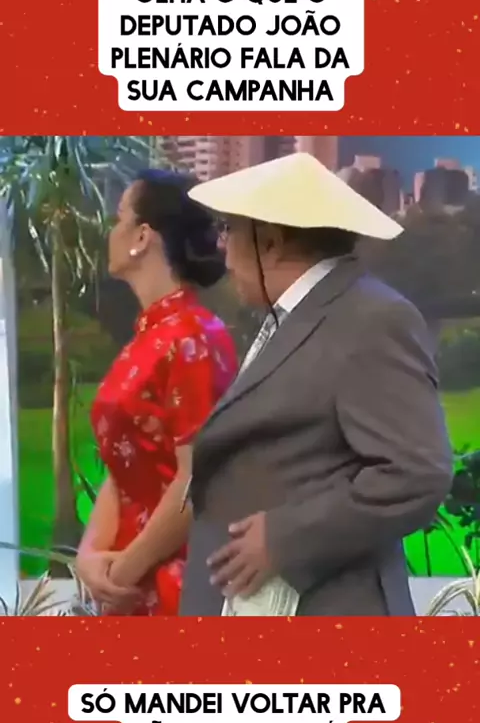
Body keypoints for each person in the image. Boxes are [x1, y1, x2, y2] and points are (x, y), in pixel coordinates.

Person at [179, 152, 453, 617]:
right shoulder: (295, 318)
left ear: (270, 243)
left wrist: (285, 538)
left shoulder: (371, 319)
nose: (222, 246)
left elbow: (417, 472)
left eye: (228, 229)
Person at [75, 170, 238, 615]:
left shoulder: (193, 336)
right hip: (127, 580)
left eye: (119, 218)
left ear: (142, 236)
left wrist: (124, 571)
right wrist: (90, 554)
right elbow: (124, 468)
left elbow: (196, 479)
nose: (111, 231)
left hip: (171, 586)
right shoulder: (150, 336)